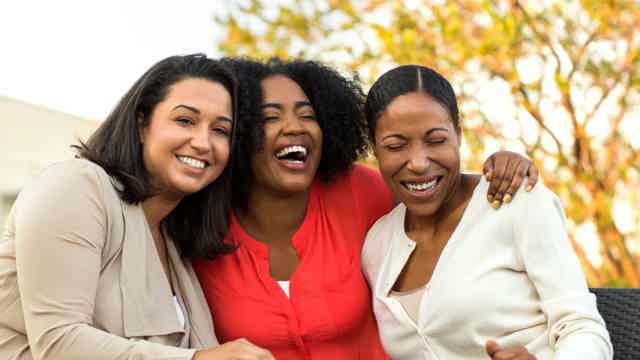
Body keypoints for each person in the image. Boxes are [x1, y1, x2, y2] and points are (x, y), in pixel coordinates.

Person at [194, 58, 539, 359]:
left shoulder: (362, 191)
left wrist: (499, 168)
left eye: (308, 115)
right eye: (270, 117)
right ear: (235, 132)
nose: (295, 126)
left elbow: (433, 186)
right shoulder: (200, 223)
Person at [0, 54, 273, 360]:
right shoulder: (77, 185)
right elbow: (58, 344)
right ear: (142, 123)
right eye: (185, 120)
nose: (203, 142)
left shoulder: (174, 240)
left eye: (220, 130)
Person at [361, 64, 613, 359]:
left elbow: (582, 328)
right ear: (375, 150)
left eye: (436, 140)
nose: (418, 162)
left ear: (458, 134)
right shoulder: (376, 244)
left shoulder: (515, 202)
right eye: (395, 145)